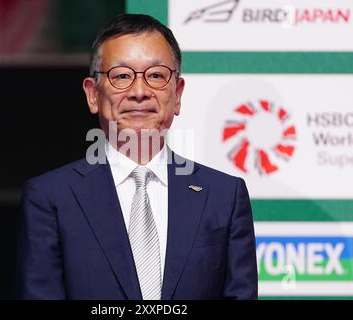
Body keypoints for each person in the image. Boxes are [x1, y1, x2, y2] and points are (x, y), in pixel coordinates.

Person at [16, 13, 257, 300]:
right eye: (121, 76)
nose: (139, 92)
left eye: (156, 75)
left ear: (177, 94)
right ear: (93, 94)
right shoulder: (50, 198)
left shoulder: (224, 196)